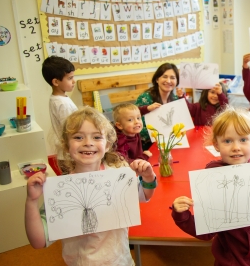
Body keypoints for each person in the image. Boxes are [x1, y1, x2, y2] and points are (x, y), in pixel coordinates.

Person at [25, 107, 157, 265]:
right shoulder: (61, 190)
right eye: (78, 137)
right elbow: (38, 241)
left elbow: (144, 194)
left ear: (107, 144)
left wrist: (148, 177)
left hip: (121, 261)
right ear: (66, 146)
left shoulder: (118, 174)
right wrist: (31, 202)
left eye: (96, 137)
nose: (88, 143)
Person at [171, 105, 250, 265]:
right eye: (228, 141)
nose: (236, 147)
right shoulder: (213, 177)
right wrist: (181, 215)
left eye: (243, 140)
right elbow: (205, 232)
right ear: (216, 145)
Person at [42, 56, 78, 174]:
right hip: (69, 155)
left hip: (67, 153)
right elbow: (71, 130)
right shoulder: (62, 104)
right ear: (56, 82)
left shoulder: (58, 98)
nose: (74, 81)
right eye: (70, 78)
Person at [135, 63, 180, 150]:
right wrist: (160, 130)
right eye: (164, 77)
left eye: (172, 78)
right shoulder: (145, 98)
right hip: (147, 146)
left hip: (169, 142)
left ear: (177, 81)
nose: (168, 81)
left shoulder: (175, 98)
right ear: (157, 79)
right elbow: (137, 130)